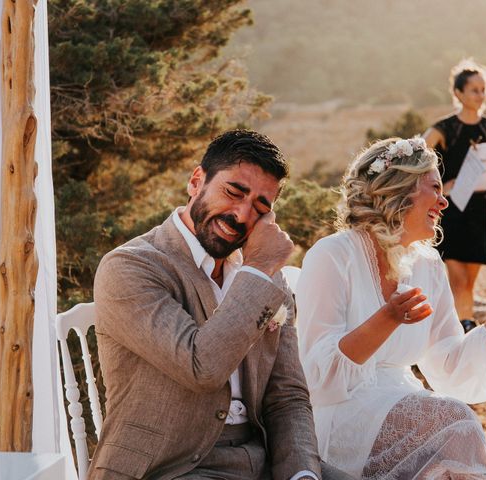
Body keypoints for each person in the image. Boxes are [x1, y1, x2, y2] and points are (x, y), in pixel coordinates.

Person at [89, 130, 351, 480]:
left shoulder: (266, 277)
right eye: (233, 192)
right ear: (196, 181)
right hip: (169, 468)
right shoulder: (131, 267)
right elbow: (202, 368)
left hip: (261, 462)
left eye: (260, 207)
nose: (242, 216)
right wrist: (257, 269)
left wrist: (301, 474)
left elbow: (287, 396)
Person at [296, 137, 486, 479]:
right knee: (452, 420)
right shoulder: (332, 255)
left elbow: (448, 365)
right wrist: (387, 319)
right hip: (338, 413)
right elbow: (317, 376)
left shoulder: (427, 263)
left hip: (403, 403)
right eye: (435, 188)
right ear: (399, 189)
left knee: (448, 425)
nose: (444, 201)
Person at [423, 59, 486, 332]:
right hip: (451, 210)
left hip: (481, 210)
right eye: (474, 90)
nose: (480, 95)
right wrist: (442, 187)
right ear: (458, 93)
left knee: (469, 280)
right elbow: (416, 160)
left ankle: (461, 324)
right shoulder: (442, 129)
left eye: (483, 89)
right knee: (456, 279)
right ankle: (464, 327)